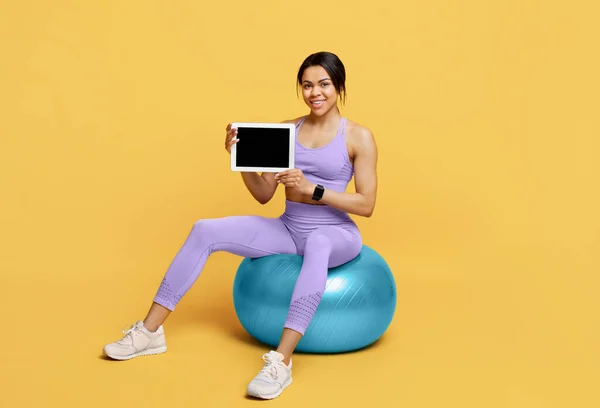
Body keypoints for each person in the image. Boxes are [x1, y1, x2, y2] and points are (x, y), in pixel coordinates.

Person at [102, 51, 379, 400]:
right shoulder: (285, 132)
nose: (315, 93)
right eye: (307, 85)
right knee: (205, 228)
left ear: (338, 85)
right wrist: (241, 159)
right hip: (290, 227)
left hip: (336, 233)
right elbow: (264, 194)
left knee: (319, 243)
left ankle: (281, 361)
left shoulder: (358, 136)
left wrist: (313, 189)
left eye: (323, 84)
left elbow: (366, 204)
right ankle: (149, 332)